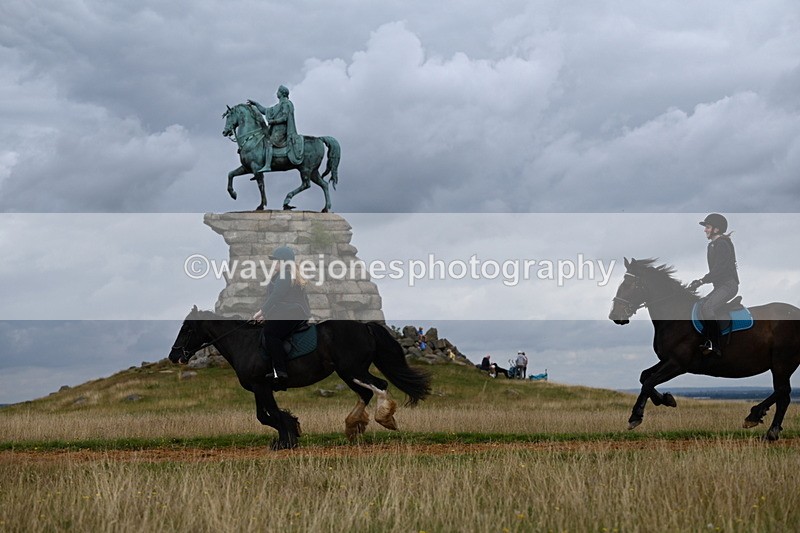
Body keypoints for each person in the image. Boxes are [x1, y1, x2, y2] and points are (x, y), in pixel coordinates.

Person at [253, 246, 311, 387]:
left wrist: (262, 312)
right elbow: (278, 301)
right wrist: (266, 315)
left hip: (292, 313)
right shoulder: (286, 274)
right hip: (290, 313)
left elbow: (276, 296)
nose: (274, 264)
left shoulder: (285, 275)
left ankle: (280, 371)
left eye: (276, 261)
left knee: (270, 333)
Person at [688, 213, 739, 357]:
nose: (705, 230)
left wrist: (701, 281)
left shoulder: (722, 244)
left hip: (728, 286)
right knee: (700, 305)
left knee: (707, 308)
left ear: (716, 229)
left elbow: (720, 269)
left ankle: (715, 345)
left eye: (708, 227)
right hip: (720, 287)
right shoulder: (712, 245)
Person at [247, 85, 304, 172]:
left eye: (278, 91)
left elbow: (285, 118)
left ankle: (267, 165)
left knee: (269, 143)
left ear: (282, 93)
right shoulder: (277, 106)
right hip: (275, 130)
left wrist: (274, 121)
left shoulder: (286, 104)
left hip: (282, 131)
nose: (277, 93)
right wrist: (256, 104)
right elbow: (265, 111)